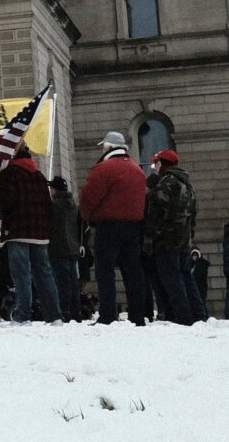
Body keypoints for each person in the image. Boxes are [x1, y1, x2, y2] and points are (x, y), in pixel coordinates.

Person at [78, 131, 148, 325]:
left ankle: (108, 314)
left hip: (108, 226)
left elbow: (88, 198)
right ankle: (137, 315)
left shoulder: (103, 169)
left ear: (108, 147)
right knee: (133, 271)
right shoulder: (137, 170)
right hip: (133, 227)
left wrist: (87, 217)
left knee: (105, 271)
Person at [0, 151, 61, 324]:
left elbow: (6, 201)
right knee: (45, 274)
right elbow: (49, 206)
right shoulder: (39, 175)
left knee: (21, 275)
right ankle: (54, 316)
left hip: (18, 231)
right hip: (39, 233)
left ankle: (23, 316)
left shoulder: (9, 173)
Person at [144, 150, 204, 324]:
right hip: (184, 240)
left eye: (156, 163)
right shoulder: (187, 185)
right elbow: (193, 214)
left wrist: (149, 238)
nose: (155, 167)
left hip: (166, 239)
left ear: (163, 164)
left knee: (172, 278)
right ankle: (199, 314)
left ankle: (183, 315)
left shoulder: (166, 183)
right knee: (186, 276)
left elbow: (157, 213)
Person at [47, 177, 82, 322]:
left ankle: (64, 311)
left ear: (55, 190)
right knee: (73, 282)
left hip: (58, 249)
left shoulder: (54, 206)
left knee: (62, 283)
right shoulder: (73, 204)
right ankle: (75, 311)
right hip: (72, 248)